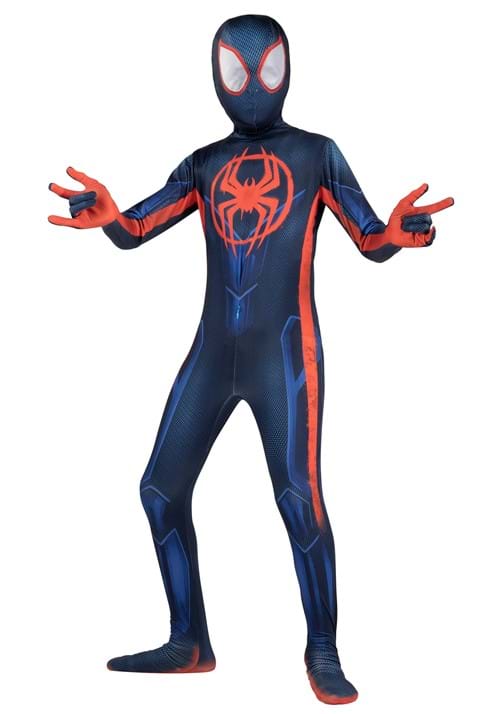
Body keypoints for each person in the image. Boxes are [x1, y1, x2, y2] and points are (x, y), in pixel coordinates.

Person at [48, 13, 454, 705]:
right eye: (236, 72)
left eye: (266, 69)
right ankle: (189, 641)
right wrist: (110, 218)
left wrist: (397, 234)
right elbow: (136, 228)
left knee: (299, 499)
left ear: (288, 69)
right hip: (213, 352)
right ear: (216, 76)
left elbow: (369, 239)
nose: (253, 86)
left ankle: (322, 649)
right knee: (159, 492)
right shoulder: (203, 164)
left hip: (284, 355)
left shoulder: (317, 154)